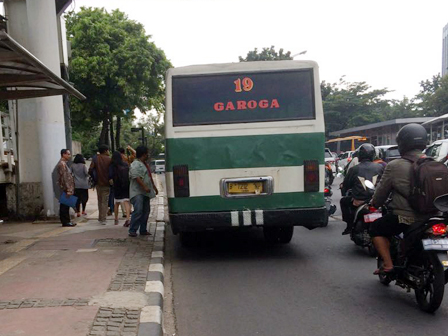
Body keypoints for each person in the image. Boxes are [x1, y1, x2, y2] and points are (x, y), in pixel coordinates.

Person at [370, 124, 435, 274]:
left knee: (376, 228)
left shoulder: (395, 165)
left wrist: (374, 204)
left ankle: (387, 265)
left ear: (402, 143)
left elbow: (381, 192)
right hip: (433, 217)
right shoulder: (434, 162)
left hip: (405, 217)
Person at [340, 143, 384, 235]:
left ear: (359, 155)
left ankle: (349, 225)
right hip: (377, 200)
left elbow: (347, 184)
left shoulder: (354, 169)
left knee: (343, 201)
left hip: (360, 200)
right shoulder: (380, 167)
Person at [128, 145, 158, 237]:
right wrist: (144, 187)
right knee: (138, 210)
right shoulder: (136, 164)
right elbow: (136, 177)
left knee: (146, 211)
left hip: (145, 192)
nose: (148, 155)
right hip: (137, 192)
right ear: (144, 154)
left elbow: (148, 176)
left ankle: (143, 229)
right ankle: (133, 229)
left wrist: (153, 187)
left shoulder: (144, 164)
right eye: (147, 153)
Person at [89, 144, 111, 225]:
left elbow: (90, 169)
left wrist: (94, 177)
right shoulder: (109, 159)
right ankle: (103, 218)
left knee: (100, 200)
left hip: (98, 182)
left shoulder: (95, 159)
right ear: (105, 151)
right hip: (106, 183)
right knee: (105, 201)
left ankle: (100, 217)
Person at [109, 151, 132, 226]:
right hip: (126, 185)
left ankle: (116, 219)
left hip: (117, 185)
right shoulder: (125, 164)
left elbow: (110, 176)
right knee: (126, 201)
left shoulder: (112, 165)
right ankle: (128, 219)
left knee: (117, 203)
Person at [57, 149, 77, 227]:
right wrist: (68, 188)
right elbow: (64, 178)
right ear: (63, 154)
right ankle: (65, 221)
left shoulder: (64, 164)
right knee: (65, 205)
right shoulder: (62, 164)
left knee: (66, 204)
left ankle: (66, 220)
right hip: (66, 188)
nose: (69, 156)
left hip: (66, 187)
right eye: (68, 154)